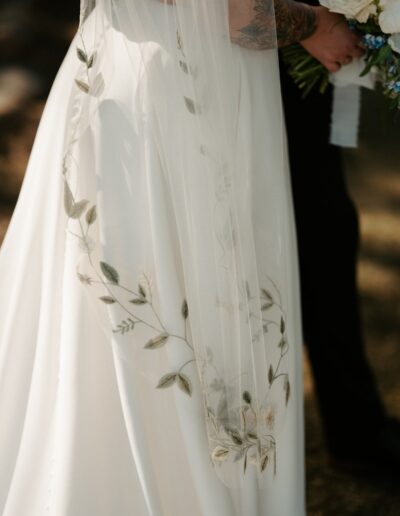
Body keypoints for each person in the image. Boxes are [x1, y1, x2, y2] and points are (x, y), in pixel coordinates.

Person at [0, 1, 361, 515]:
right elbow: (237, 14)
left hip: (121, 81)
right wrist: (320, 24)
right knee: (179, 308)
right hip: (183, 97)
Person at [279, 0, 400, 472]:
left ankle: (356, 425)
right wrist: (309, 24)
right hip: (230, 73)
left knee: (327, 229)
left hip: (290, 64)